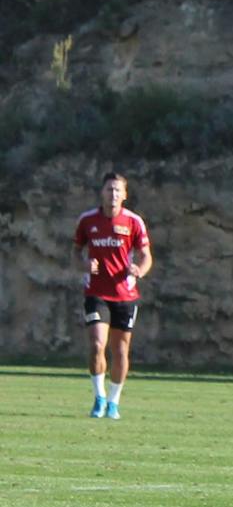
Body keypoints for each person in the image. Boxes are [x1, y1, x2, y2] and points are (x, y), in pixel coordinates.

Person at [73, 171, 153, 420]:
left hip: (125, 295)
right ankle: (99, 397)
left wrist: (139, 270)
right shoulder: (87, 220)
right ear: (102, 192)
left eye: (118, 190)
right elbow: (75, 253)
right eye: (109, 189)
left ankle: (113, 402)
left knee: (120, 351)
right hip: (96, 293)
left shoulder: (134, 222)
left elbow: (146, 256)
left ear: (125, 194)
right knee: (97, 345)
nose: (113, 194)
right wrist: (84, 265)